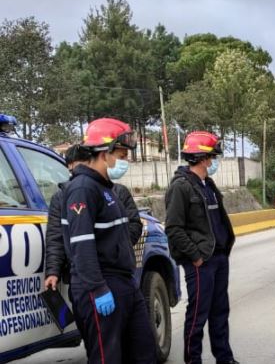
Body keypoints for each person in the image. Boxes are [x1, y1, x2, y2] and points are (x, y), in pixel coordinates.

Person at [61, 118, 154, 363]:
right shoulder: (83, 189)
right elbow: (81, 246)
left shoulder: (106, 189)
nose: (126, 161)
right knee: (107, 357)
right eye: (122, 155)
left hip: (124, 283)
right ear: (104, 153)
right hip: (101, 286)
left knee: (145, 352)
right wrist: (99, 289)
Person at [165, 131, 238, 364]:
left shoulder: (208, 184)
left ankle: (224, 358)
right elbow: (174, 229)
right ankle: (192, 360)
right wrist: (195, 256)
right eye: (211, 156)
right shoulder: (181, 187)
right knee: (198, 315)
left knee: (220, 312)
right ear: (203, 158)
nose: (213, 161)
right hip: (201, 261)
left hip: (218, 258)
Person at [45, 145, 142, 293]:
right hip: (86, 278)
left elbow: (133, 224)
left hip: (117, 273)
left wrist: (113, 248)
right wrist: (53, 270)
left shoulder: (117, 192)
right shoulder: (61, 197)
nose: (81, 175)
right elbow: (56, 236)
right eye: (76, 170)